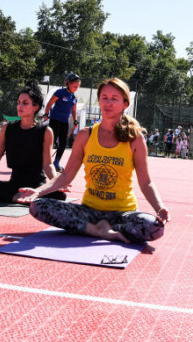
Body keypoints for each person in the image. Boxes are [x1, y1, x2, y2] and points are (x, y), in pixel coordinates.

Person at [19, 78, 169, 244]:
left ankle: (99, 229)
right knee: (38, 206)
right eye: (104, 98)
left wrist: (159, 207)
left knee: (155, 227)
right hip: (89, 212)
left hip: (123, 214)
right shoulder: (85, 135)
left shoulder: (135, 139)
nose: (108, 103)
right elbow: (66, 176)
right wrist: (37, 192)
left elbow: (146, 182)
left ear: (125, 104)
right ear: (99, 101)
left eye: (114, 99)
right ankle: (98, 230)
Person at [44, 73, 80, 171]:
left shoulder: (74, 97)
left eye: (78, 86)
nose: (76, 88)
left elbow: (73, 110)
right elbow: (50, 103)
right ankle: (45, 162)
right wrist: (46, 114)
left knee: (63, 143)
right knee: (51, 141)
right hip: (55, 120)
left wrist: (75, 120)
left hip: (64, 122)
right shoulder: (60, 92)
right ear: (68, 83)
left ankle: (56, 162)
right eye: (75, 85)